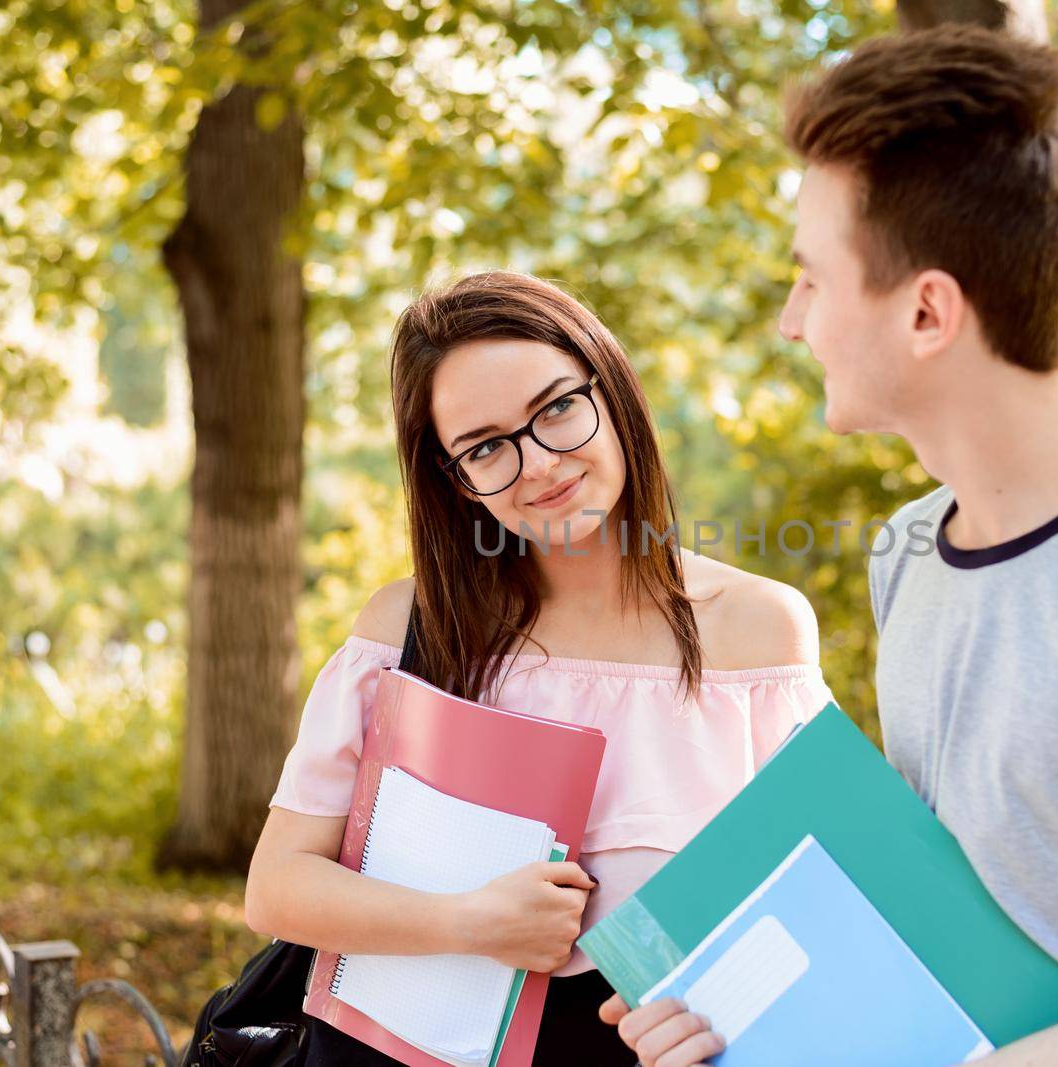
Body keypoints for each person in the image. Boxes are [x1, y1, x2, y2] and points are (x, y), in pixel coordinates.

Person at [605, 25, 1058, 1067]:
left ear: (927, 311)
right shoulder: (909, 554)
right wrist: (731, 1023)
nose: (791, 321)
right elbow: (929, 928)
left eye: (812, 279)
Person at [243, 271, 833, 1064]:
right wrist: (467, 920)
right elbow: (276, 886)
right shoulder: (412, 631)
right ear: (454, 482)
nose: (540, 464)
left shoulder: (757, 634)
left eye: (557, 408)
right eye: (486, 446)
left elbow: (818, 910)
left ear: (611, 388)